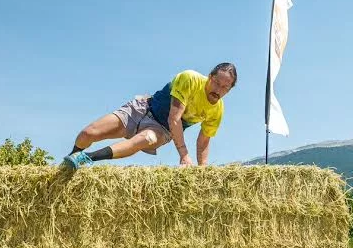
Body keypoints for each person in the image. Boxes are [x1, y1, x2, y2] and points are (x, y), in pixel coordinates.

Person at [63, 63, 237, 169]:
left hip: (161, 130)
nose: (218, 89)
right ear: (210, 77)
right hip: (143, 109)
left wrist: (203, 170)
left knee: (144, 139)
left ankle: (86, 158)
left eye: (225, 87)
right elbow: (174, 117)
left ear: (230, 89)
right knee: (89, 133)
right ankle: (71, 160)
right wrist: (184, 155)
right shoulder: (190, 79)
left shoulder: (217, 110)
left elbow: (204, 141)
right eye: (216, 82)